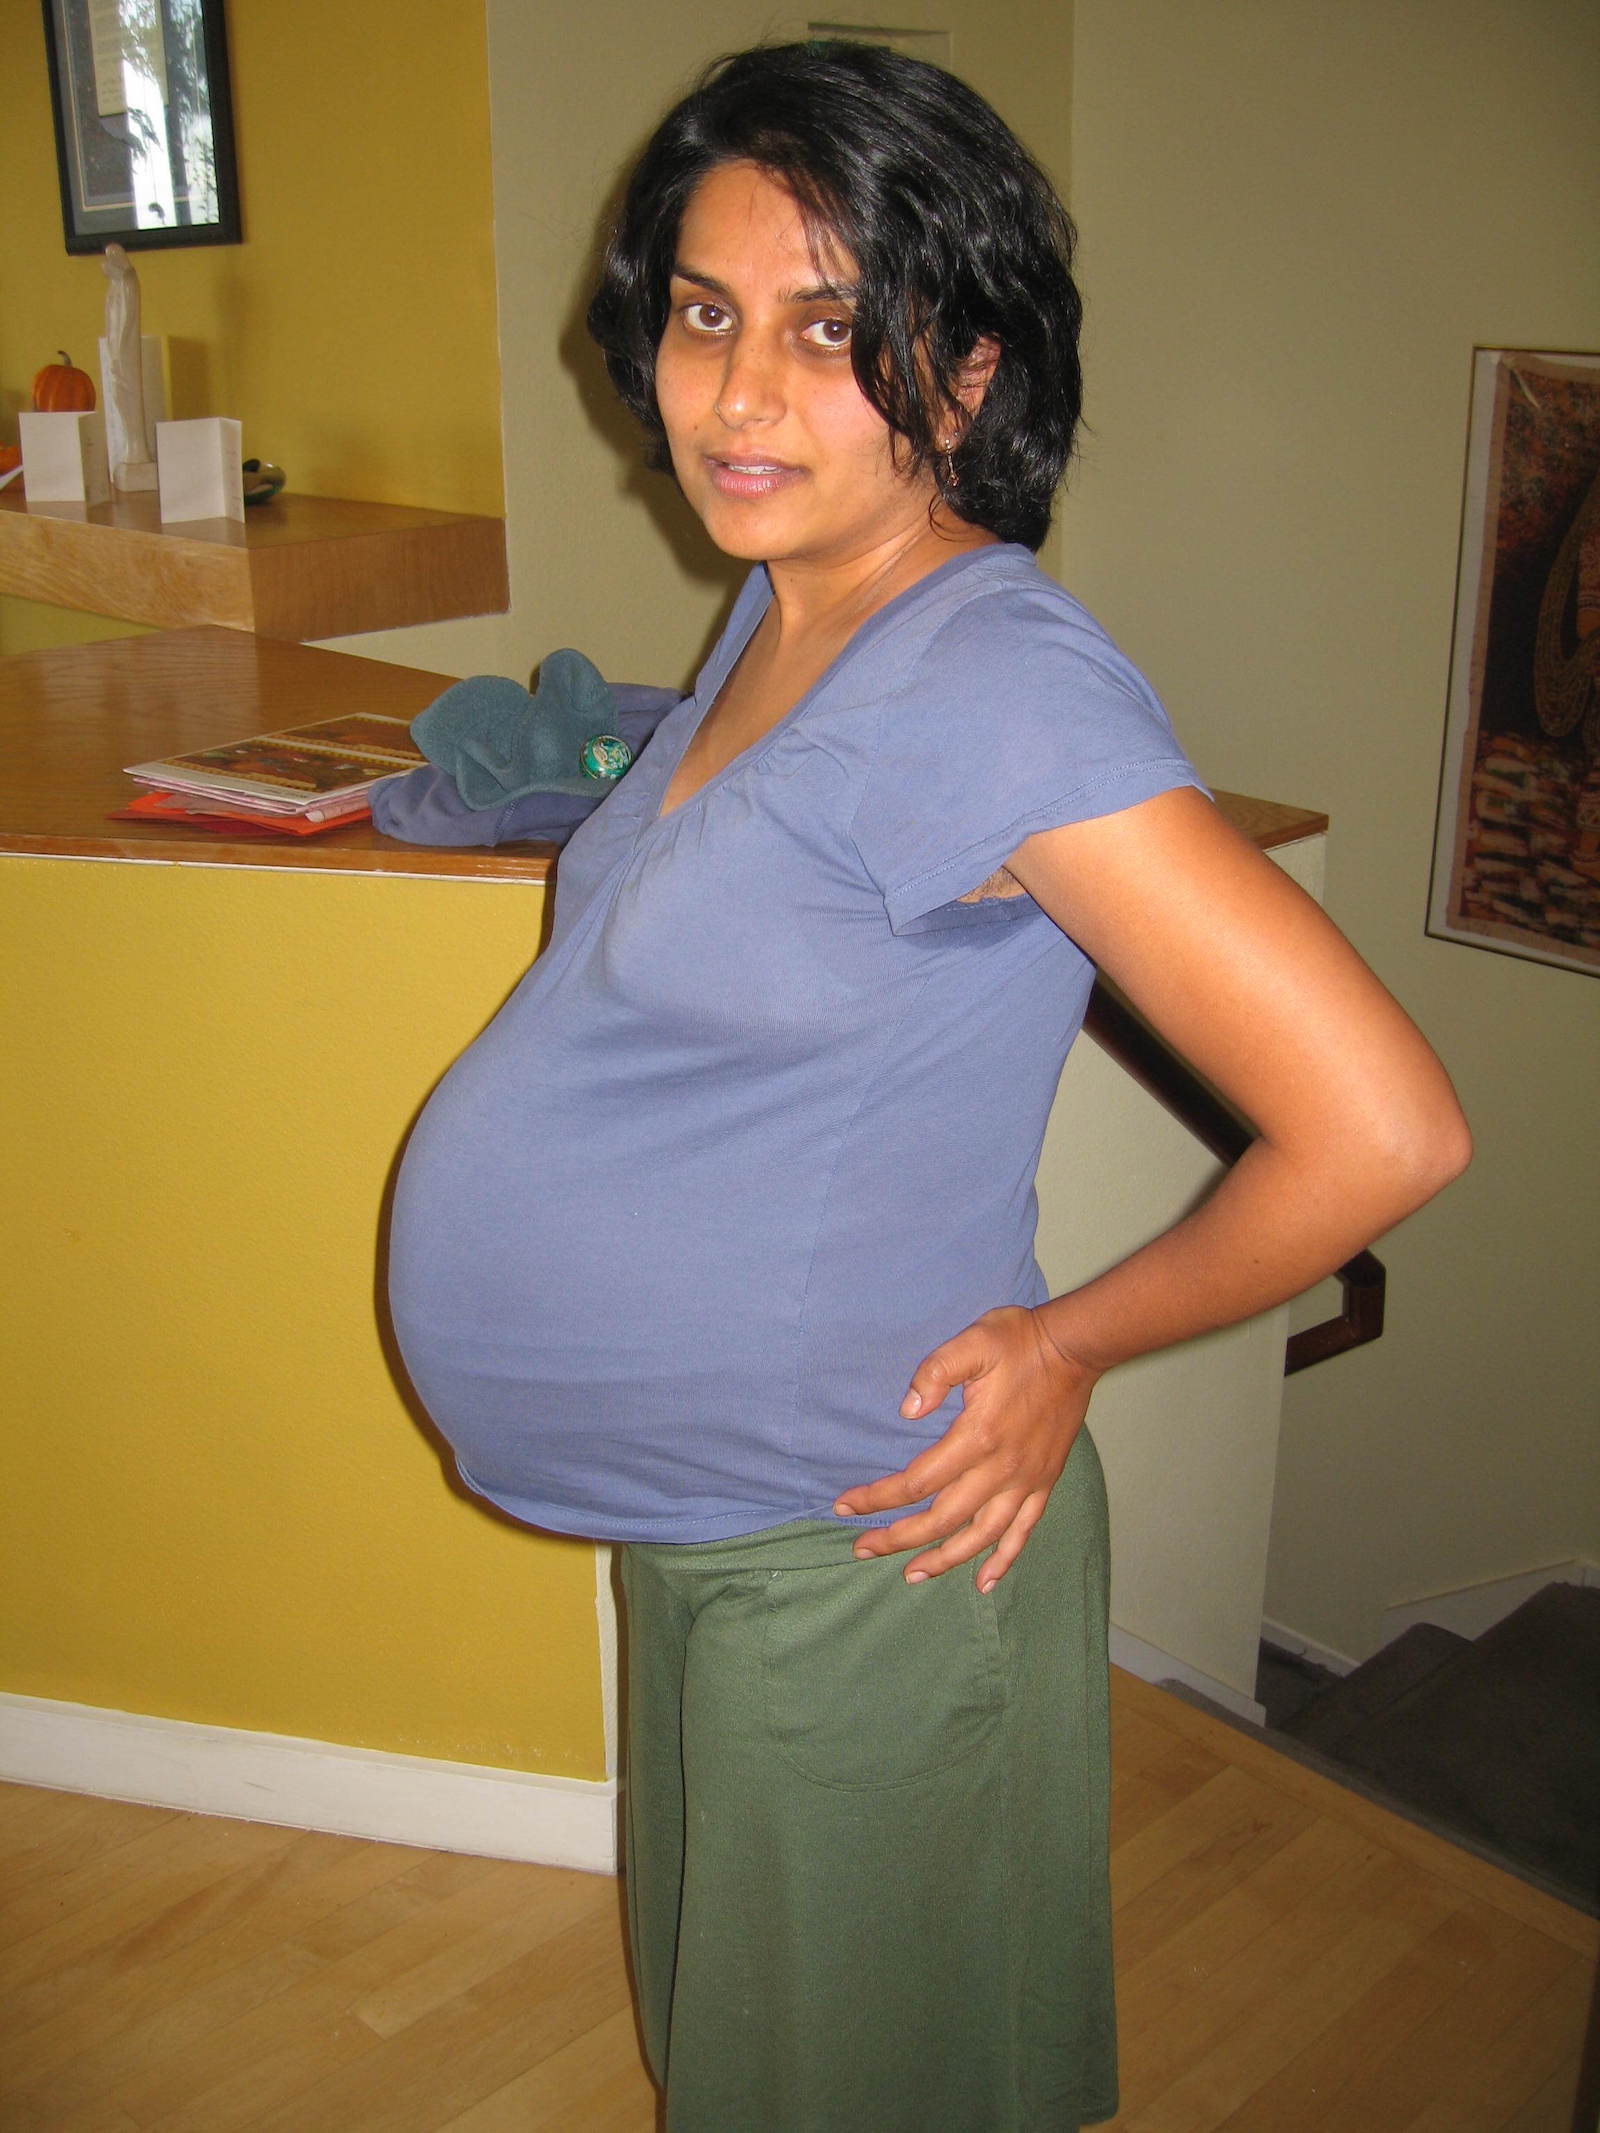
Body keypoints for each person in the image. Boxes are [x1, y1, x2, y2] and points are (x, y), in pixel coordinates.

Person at [385, 40, 1470, 2131]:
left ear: (961, 373)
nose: (737, 392)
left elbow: (1382, 1123)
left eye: (826, 325)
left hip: (861, 1555)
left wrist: (1066, 1343)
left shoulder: (992, 677)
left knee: (844, 2084)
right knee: (764, 2046)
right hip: (732, 1536)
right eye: (704, 314)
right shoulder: (782, 606)